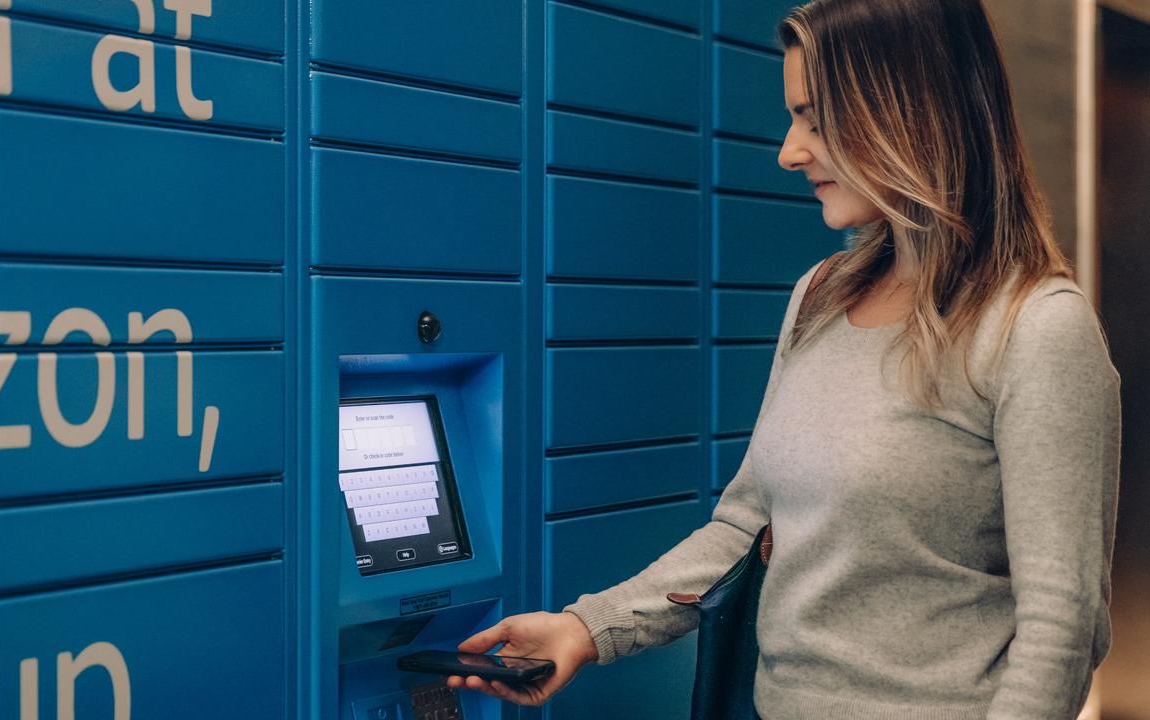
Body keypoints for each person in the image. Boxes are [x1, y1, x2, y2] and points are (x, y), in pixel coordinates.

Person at [448, 0, 1123, 717]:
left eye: (816, 119)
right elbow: (743, 526)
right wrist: (587, 627)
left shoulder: (1038, 329)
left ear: (911, 111)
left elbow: (1061, 627)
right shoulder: (820, 297)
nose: (790, 151)